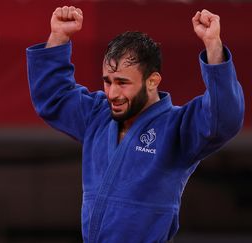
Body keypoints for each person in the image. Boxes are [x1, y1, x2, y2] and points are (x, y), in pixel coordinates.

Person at [26, 5, 244, 243]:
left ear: (152, 81)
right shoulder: (97, 116)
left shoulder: (177, 128)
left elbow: (224, 118)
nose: (112, 93)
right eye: (107, 82)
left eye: (122, 82)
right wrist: (59, 37)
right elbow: (53, 98)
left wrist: (213, 45)